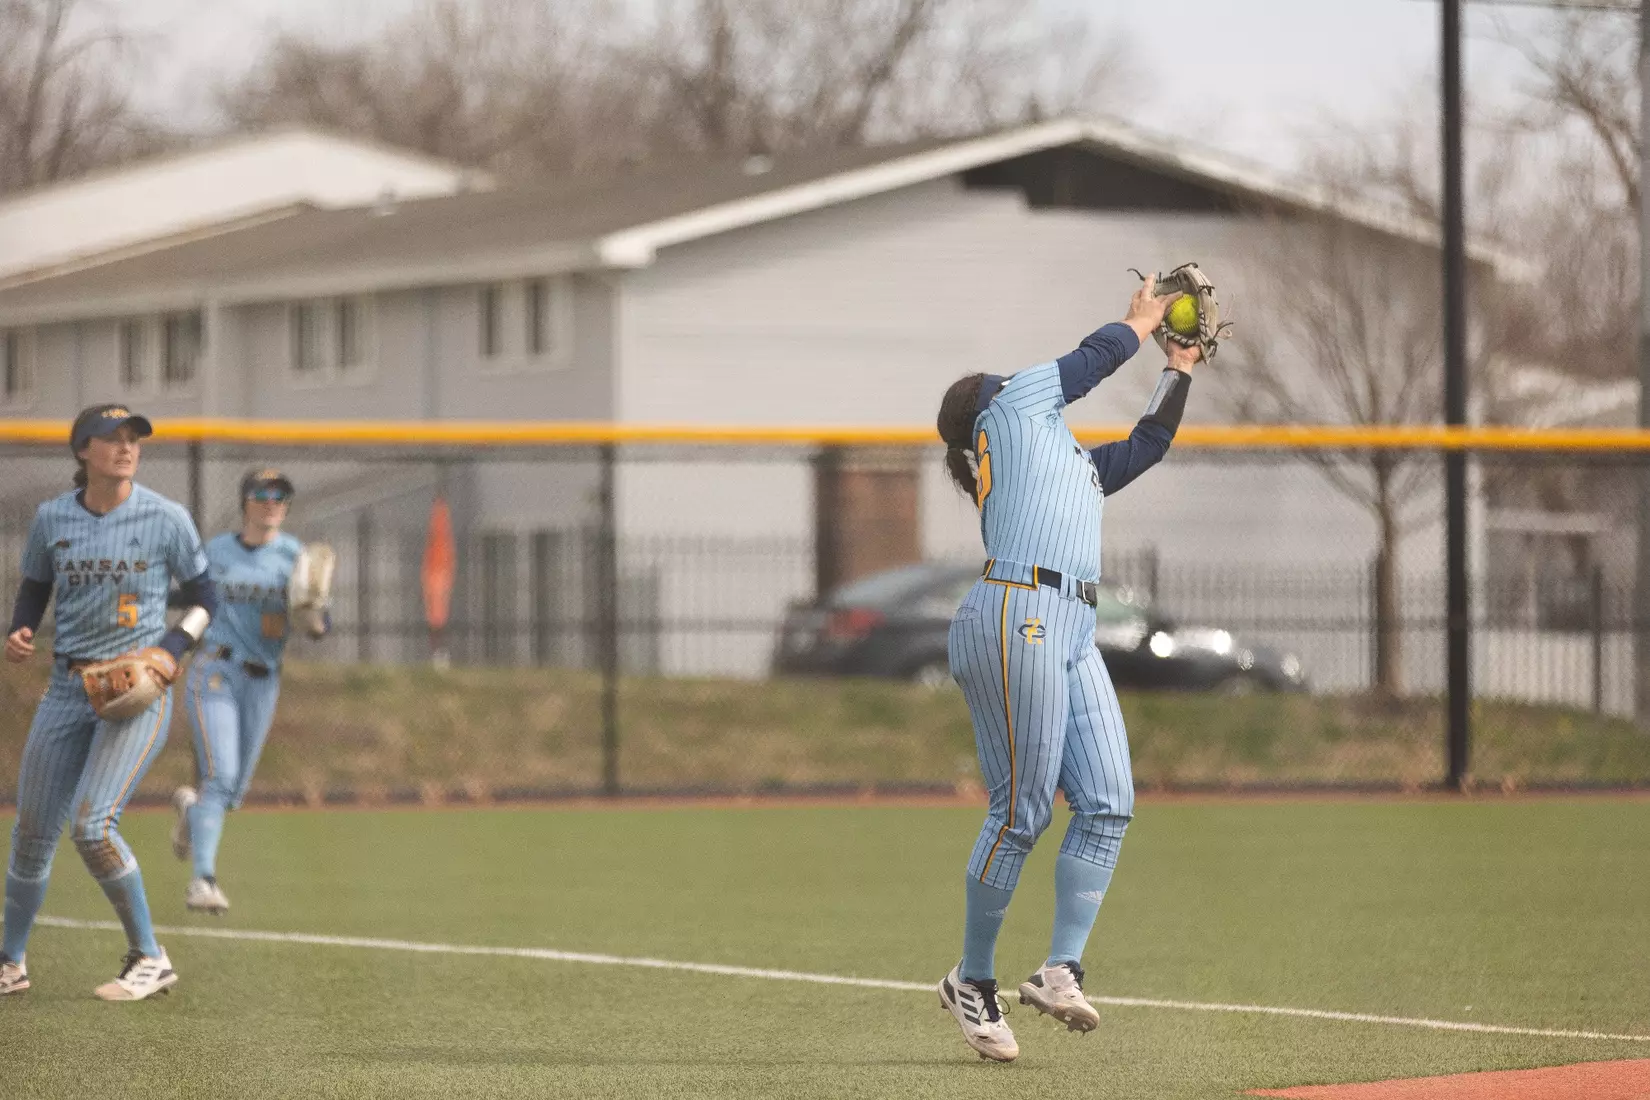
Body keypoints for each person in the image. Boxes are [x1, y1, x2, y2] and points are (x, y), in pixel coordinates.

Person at [933, 278, 1201, 1061]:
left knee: (1110, 801)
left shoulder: (1065, 459)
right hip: (1016, 611)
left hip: (1071, 622)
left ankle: (1059, 970)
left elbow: (1148, 445)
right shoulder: (1009, 413)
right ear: (988, 408)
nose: (1020, 379)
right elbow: (1088, 362)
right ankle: (971, 980)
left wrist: (1177, 367)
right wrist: (1141, 321)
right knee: (1021, 812)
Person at [1, 404, 216, 1001]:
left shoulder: (165, 517)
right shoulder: (52, 518)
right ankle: (10, 963)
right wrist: (22, 628)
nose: (125, 447)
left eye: (133, 439)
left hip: (136, 688)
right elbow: (37, 585)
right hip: (69, 687)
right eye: (111, 438)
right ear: (82, 451)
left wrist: (173, 648)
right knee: (32, 833)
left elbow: (205, 596)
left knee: (93, 827)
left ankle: (150, 957)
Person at [170, 469, 328, 914]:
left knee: (233, 792)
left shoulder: (295, 556)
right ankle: (202, 880)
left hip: (264, 680)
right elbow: (188, 600)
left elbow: (318, 623)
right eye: (262, 493)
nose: (272, 501)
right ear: (245, 501)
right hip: (216, 669)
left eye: (281, 494)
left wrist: (314, 616)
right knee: (220, 778)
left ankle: (191, 813)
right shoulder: (216, 551)